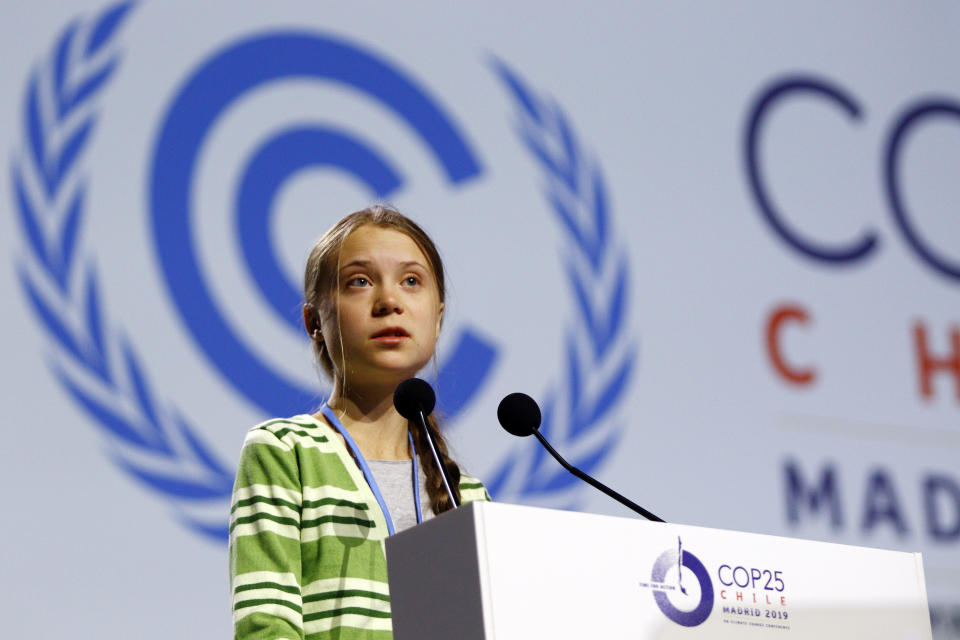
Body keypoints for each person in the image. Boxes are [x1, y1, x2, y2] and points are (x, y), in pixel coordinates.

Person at [229, 206, 489, 639]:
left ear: (438, 316)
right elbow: (265, 627)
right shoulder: (285, 452)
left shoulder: (468, 496)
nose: (390, 302)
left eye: (411, 281)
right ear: (315, 322)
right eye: (360, 282)